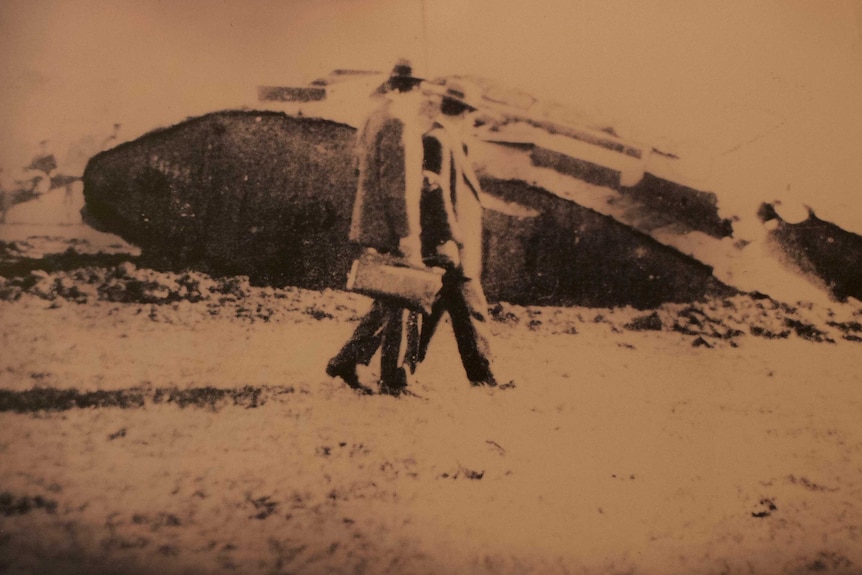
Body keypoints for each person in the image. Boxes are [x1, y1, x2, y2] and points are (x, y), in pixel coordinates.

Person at [326, 59, 428, 396]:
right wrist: (406, 232)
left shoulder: (374, 116)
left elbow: (362, 168)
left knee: (389, 301)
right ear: (410, 88)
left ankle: (347, 360)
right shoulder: (400, 121)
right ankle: (393, 379)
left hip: (372, 221)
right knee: (402, 299)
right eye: (419, 89)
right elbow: (396, 186)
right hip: (390, 225)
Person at [417, 81, 513, 389]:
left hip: (453, 243)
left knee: (426, 311)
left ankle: (359, 361)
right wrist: (451, 236)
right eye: (472, 114)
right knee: (471, 309)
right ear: (466, 112)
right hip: (451, 244)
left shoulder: (449, 139)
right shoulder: (437, 140)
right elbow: (436, 193)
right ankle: (485, 377)